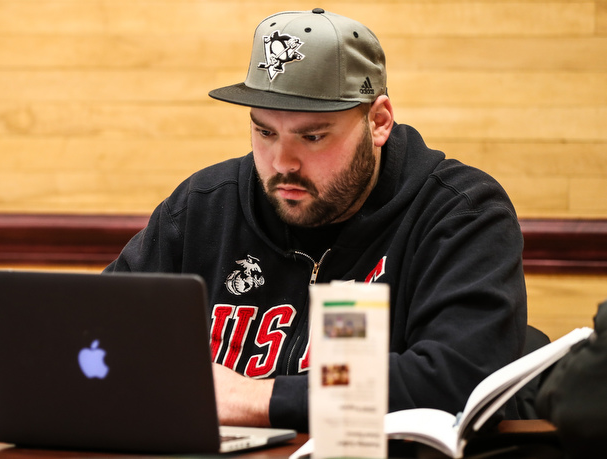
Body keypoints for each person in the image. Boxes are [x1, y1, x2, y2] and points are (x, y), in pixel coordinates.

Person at [104, 8, 527, 432]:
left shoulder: (460, 213)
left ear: (378, 122)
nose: (282, 163)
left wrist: (255, 399)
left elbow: (458, 379)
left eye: (312, 137)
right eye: (265, 132)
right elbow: (97, 335)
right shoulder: (203, 206)